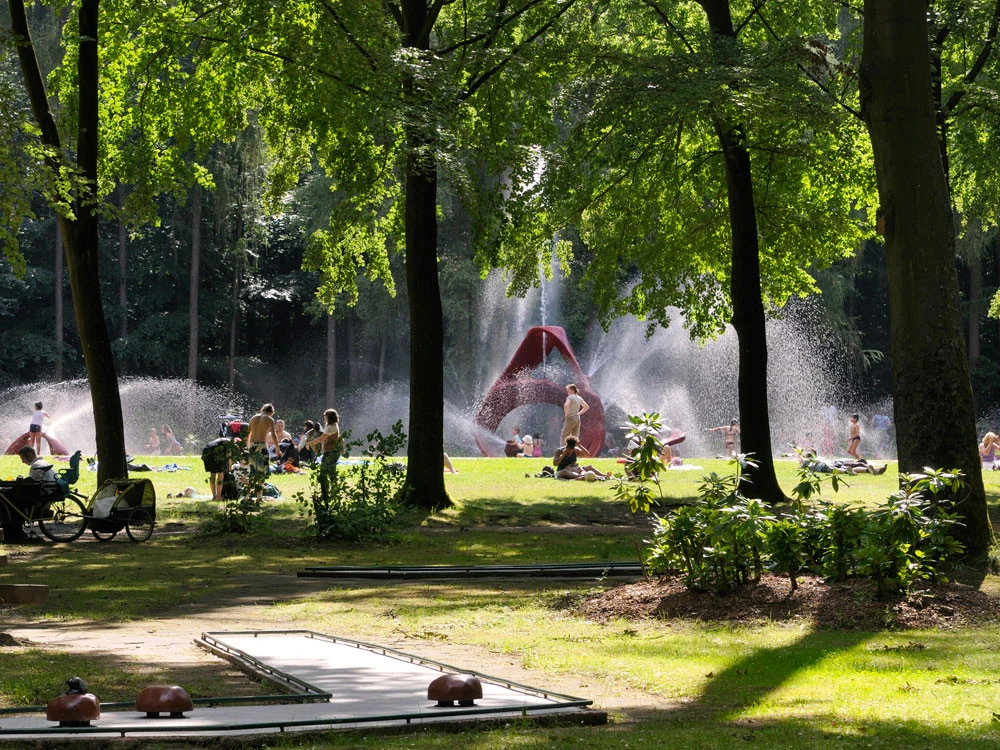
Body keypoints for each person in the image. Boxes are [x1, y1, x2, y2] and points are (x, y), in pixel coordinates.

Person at [307, 408, 342, 501]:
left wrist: (311, 443)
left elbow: (321, 438)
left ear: (329, 417)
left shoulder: (331, 427)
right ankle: (333, 493)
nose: (324, 417)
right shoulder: (330, 425)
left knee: (324, 474)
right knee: (331, 473)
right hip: (330, 452)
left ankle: (326, 495)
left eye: (325, 415)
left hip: (331, 452)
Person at [247, 404, 280, 496]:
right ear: (271, 412)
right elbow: (274, 435)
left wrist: (248, 446)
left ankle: (247, 495)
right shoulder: (269, 419)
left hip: (253, 445)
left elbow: (248, 433)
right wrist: (277, 449)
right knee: (261, 472)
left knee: (252, 471)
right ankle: (259, 496)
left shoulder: (253, 418)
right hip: (262, 446)